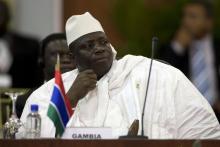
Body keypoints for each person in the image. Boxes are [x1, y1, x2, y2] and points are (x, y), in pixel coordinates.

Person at [20, 12, 220, 139]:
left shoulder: (151, 73)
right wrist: (70, 98)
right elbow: (29, 139)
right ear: (73, 57)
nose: (99, 49)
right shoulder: (50, 92)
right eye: (88, 46)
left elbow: (205, 131)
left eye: (103, 42)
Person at [158, 0, 220, 120]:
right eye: (184, 16)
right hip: (185, 116)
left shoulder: (217, 47)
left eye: (193, 16)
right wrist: (178, 47)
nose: (186, 22)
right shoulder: (173, 46)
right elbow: (161, 77)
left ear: (208, 22)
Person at [16, 33, 76, 118]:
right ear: (41, 60)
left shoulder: (90, 96)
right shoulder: (25, 100)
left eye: (70, 55)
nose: (66, 60)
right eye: (58, 55)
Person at [0, 1, 41, 88]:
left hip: (20, 97)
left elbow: (37, 78)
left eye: (1, 13)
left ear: (8, 16)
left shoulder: (30, 46)